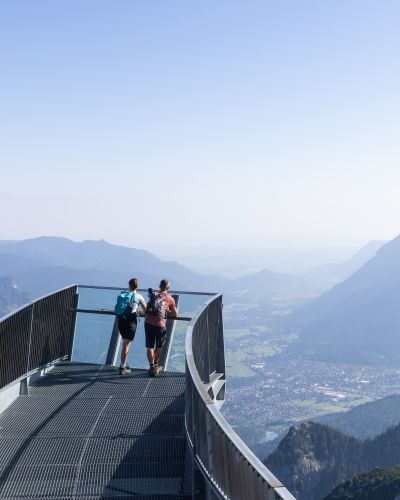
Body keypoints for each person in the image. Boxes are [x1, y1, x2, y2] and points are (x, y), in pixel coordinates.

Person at [145, 278, 177, 376]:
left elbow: (147, 309)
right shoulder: (170, 299)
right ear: (168, 287)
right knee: (158, 346)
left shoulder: (154, 295)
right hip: (159, 324)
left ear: (159, 286)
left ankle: (152, 366)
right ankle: (155, 366)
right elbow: (175, 314)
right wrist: (167, 311)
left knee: (150, 346)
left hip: (148, 322)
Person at [118, 278, 146, 374]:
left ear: (129, 286)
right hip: (131, 322)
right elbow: (146, 310)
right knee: (126, 345)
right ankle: (122, 367)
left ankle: (124, 363)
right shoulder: (139, 297)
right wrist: (138, 312)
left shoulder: (123, 295)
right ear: (137, 286)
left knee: (125, 343)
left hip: (121, 320)